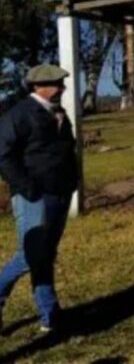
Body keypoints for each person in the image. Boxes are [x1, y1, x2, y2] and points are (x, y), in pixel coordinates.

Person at [0, 64, 77, 332]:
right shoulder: (19, 115)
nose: (62, 88)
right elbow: (4, 156)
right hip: (34, 195)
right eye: (57, 84)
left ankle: (49, 314)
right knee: (31, 255)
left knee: (45, 254)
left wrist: (72, 182)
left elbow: (67, 150)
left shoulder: (58, 114)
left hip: (60, 192)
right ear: (38, 87)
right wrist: (28, 189)